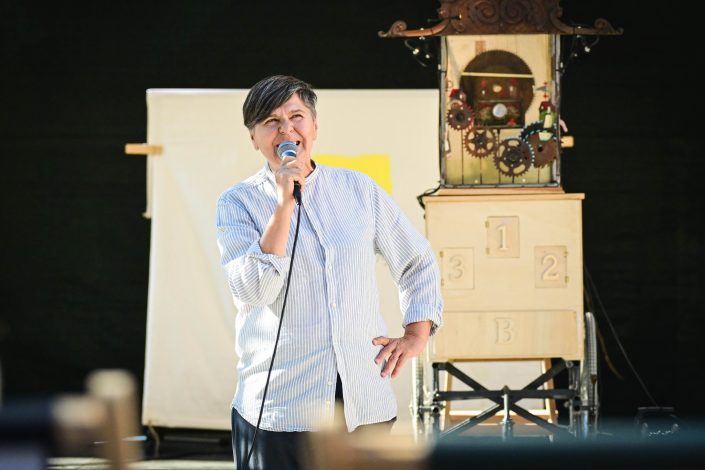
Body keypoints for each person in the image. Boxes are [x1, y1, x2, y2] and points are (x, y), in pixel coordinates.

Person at [216, 75, 443, 470]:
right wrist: (284, 205)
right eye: (271, 121)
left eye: (296, 117)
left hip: (363, 401)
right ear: (253, 138)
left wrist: (416, 334)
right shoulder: (237, 203)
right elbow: (252, 290)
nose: (286, 130)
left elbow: (416, 260)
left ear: (314, 126)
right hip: (279, 406)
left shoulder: (359, 190)